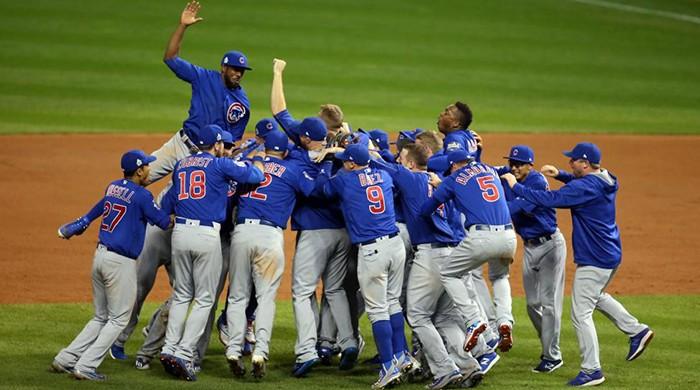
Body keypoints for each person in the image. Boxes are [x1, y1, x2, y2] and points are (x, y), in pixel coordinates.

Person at [501, 142, 653, 387]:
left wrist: (515, 186)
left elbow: (551, 199)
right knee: (596, 296)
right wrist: (561, 174)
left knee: (580, 313)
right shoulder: (605, 179)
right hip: (610, 252)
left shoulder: (585, 187)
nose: (569, 163)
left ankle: (592, 370)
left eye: (573, 160)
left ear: (585, 163)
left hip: (596, 257)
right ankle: (637, 331)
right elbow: (580, 184)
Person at [271, 59, 359, 376]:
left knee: (302, 291)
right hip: (343, 233)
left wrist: (278, 73)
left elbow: (279, 111)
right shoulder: (347, 152)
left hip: (315, 234)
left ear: (306, 136)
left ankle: (306, 351)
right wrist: (342, 141)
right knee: (335, 290)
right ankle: (348, 342)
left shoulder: (298, 154)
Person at [51, 150, 172, 381]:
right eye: (147, 166)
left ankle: (65, 359)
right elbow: (164, 222)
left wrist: (80, 223)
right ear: (138, 171)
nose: (149, 170)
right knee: (118, 319)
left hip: (100, 258)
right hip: (120, 264)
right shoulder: (142, 196)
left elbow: (99, 208)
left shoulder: (113, 187)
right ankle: (86, 366)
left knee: (101, 317)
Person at [159, 124, 265, 381]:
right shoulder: (219, 165)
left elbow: (167, 203)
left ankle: (168, 348)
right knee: (205, 299)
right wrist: (258, 161)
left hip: (180, 234)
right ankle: (184, 354)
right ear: (217, 145)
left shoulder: (181, 165)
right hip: (207, 235)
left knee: (182, 294)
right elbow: (255, 177)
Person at [224, 130, 320, 379]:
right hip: (269, 237)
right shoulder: (291, 171)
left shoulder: (247, 165)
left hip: (242, 233)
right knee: (266, 298)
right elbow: (315, 191)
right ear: (285, 152)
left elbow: (229, 195)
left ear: (265, 149)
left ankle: (234, 350)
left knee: (236, 297)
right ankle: (260, 352)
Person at [319, 144, 412, 390]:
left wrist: (328, 161)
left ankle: (388, 367)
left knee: (377, 310)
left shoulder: (344, 180)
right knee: (393, 303)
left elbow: (323, 190)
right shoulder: (384, 175)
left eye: (344, 161)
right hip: (395, 245)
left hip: (373, 251)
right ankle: (401, 356)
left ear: (350, 164)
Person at [420, 149, 516, 355]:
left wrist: (441, 186)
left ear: (454, 165)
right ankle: (505, 321)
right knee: (500, 277)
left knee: (449, 273)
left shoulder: (453, 178)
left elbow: (427, 208)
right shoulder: (489, 169)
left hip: (481, 238)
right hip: (509, 236)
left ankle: (474, 320)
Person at [149, 1, 252, 183]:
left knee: (171, 202)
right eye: (234, 69)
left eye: (241, 71)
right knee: (142, 174)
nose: (238, 74)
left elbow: (231, 142)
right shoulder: (203, 77)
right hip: (180, 143)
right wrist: (183, 26)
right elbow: (171, 58)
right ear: (223, 67)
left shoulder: (242, 104)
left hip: (202, 159)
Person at [496, 145, 567, 372]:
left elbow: (516, 208)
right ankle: (548, 343)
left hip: (549, 246)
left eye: (519, 164)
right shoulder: (506, 175)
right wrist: (477, 152)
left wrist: (490, 209)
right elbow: (484, 170)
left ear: (530, 165)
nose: (514, 167)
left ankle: (552, 356)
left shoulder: (537, 183)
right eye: (512, 163)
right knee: (531, 305)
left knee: (549, 305)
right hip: (528, 247)